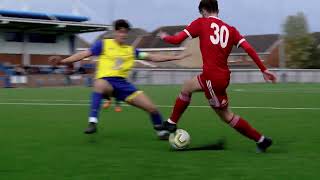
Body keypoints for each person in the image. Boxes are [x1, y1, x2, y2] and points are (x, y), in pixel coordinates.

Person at [155, 0, 277, 152]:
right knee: (187, 86)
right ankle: (171, 122)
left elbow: (176, 40)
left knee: (226, 116)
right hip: (217, 76)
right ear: (217, 10)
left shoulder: (201, 22)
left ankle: (261, 140)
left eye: (201, 13)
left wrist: (164, 36)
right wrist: (263, 69)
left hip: (212, 79)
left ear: (204, 11)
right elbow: (249, 49)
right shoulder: (231, 30)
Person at [49, 19, 190, 140]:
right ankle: (92, 122)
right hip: (107, 82)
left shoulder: (130, 51)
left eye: (125, 32)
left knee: (152, 109)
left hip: (124, 86)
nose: (123, 34)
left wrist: (175, 57)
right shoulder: (103, 44)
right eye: (120, 31)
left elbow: (153, 57)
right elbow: (83, 54)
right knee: (99, 83)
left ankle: (161, 132)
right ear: (115, 32)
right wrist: (62, 62)